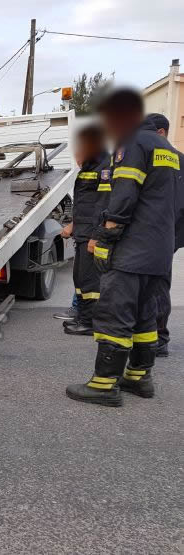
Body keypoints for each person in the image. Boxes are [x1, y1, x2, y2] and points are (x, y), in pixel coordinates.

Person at [66, 87, 178, 406]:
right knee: (144, 316)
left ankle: (104, 385)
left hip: (131, 251)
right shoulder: (171, 153)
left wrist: (104, 237)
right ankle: (139, 377)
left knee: (115, 312)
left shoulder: (134, 143)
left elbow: (124, 194)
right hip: (158, 252)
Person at [62, 120, 111, 336]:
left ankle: (90, 323)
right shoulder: (89, 168)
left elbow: (104, 205)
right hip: (82, 234)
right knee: (81, 279)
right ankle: (83, 317)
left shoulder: (104, 168)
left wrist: (95, 236)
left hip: (92, 236)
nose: (77, 156)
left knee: (91, 282)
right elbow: (84, 204)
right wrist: (73, 225)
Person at [145, 113, 183, 357]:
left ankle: (159, 338)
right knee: (151, 286)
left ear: (161, 133)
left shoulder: (169, 160)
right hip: (163, 235)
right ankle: (151, 335)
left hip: (160, 235)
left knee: (157, 286)